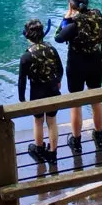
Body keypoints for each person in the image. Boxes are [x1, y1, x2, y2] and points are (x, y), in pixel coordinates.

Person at [55, 0, 102, 154]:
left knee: (76, 104)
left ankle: (76, 141)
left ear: (71, 5)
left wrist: (65, 19)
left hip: (76, 64)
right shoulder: (99, 16)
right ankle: (99, 137)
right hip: (95, 61)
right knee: (96, 100)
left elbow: (58, 37)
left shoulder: (73, 23)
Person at [18, 18, 63, 163]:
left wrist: (22, 99)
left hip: (37, 92)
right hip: (53, 89)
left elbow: (22, 81)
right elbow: (60, 70)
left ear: (27, 36)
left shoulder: (26, 56)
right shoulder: (52, 49)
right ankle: (53, 153)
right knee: (52, 121)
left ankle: (38, 149)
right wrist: (57, 82)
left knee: (38, 121)